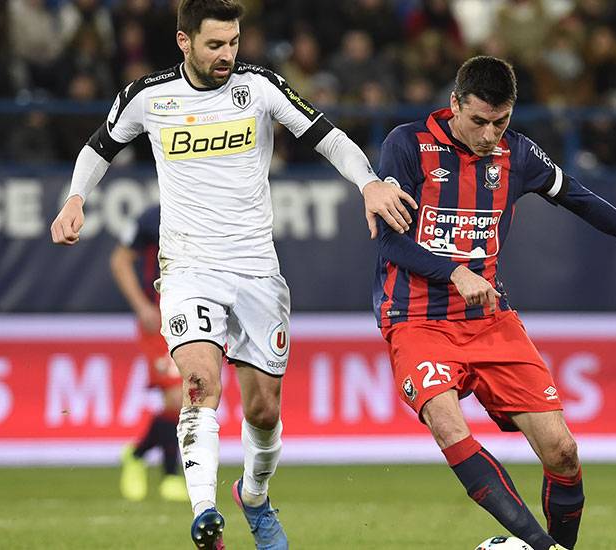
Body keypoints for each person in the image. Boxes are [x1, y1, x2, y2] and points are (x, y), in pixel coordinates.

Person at [50, 1, 417, 548]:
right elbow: (98, 147)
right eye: (215, 44)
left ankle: (255, 495)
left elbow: (328, 136)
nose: (227, 55)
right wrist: (75, 198)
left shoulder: (261, 86)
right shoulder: (149, 97)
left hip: (255, 269)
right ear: (184, 41)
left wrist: (368, 182)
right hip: (188, 266)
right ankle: (204, 513)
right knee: (199, 384)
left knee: (265, 408)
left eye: (234, 42)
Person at [373, 56, 616, 550]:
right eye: (478, 121)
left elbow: (579, 198)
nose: (489, 134)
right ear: (454, 103)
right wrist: (455, 271)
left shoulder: (517, 154)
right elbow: (390, 243)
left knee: (562, 451)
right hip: (417, 321)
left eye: (501, 121)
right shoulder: (406, 145)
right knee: (448, 424)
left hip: (489, 321)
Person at [110, 204, 188, 503]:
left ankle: (137, 453)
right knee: (175, 396)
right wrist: (141, 306)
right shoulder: (152, 216)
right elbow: (119, 260)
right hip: (158, 317)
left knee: (190, 394)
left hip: (194, 314)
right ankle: (170, 476)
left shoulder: (209, 209)